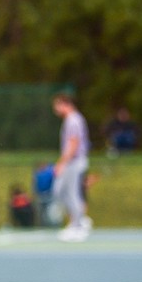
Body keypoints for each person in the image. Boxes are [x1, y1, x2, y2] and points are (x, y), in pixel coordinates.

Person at [51, 93, 91, 242]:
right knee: (60, 191)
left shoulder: (73, 120)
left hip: (74, 162)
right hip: (72, 162)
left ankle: (78, 226)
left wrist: (62, 163)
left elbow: (73, 144)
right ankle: (77, 221)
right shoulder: (72, 119)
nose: (55, 109)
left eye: (56, 105)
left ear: (64, 103)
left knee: (71, 193)